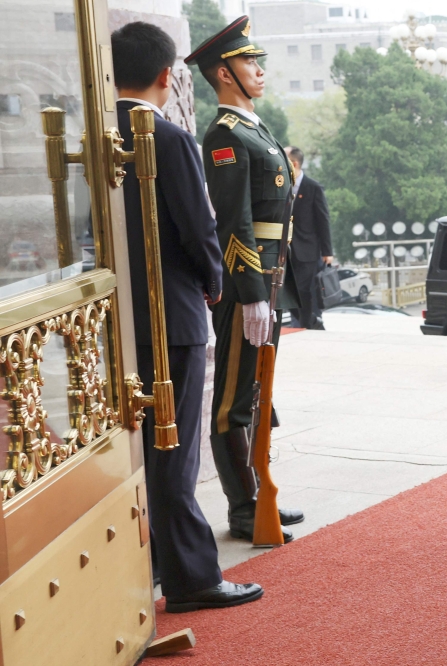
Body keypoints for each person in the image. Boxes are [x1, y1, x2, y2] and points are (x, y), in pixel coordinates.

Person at [111, 21, 263, 611]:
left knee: (137, 452)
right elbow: (200, 230)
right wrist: (213, 284)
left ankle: (145, 563)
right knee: (175, 454)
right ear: (165, 75)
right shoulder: (165, 136)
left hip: (118, 317)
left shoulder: (99, 133)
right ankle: (194, 577)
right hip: (171, 316)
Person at [184, 16, 303, 543]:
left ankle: (259, 486)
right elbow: (233, 222)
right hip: (247, 284)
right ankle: (242, 505)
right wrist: (252, 294)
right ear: (224, 74)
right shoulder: (223, 136)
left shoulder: (254, 127)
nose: (258, 70)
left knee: (258, 390)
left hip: (269, 280)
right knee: (233, 396)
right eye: (249, 62)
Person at [285, 145, 333, 330]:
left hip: (307, 250)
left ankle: (306, 325)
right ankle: (312, 322)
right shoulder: (281, 186)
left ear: (294, 163)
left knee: (303, 290)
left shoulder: (313, 187)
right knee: (287, 291)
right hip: (285, 251)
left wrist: (327, 251)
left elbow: (323, 220)